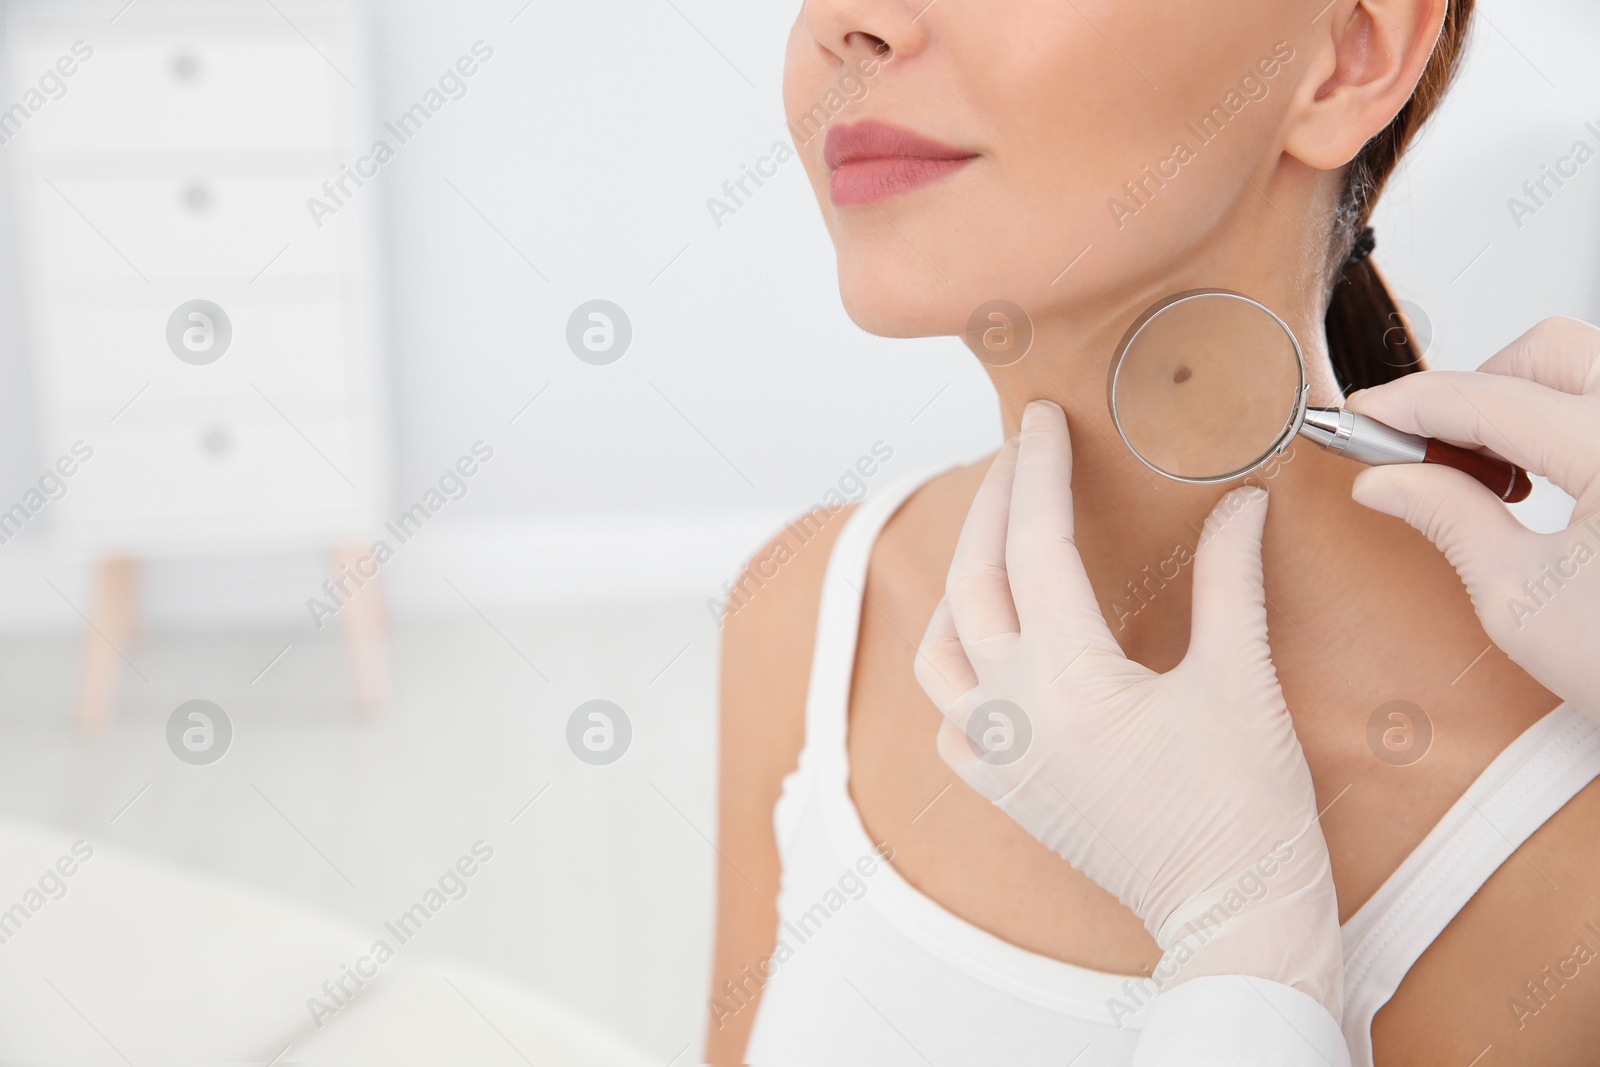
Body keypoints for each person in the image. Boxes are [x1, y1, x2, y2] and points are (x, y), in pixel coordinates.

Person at [707, 0, 1600, 1064]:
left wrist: (1242, 954)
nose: (849, 24)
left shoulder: (1569, 815)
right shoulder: (814, 616)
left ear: (1347, 56)